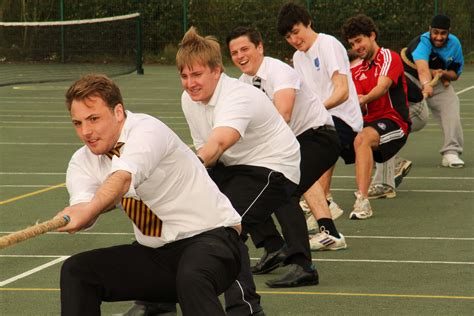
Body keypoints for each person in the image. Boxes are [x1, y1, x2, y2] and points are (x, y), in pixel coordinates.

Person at [55, 74, 244, 316]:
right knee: (76, 271)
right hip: (156, 253)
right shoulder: (82, 161)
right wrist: (79, 211)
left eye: (93, 119)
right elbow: (84, 207)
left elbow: (123, 178)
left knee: (192, 276)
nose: (86, 132)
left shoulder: (147, 130)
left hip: (212, 241)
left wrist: (90, 209)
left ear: (119, 112)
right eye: (77, 123)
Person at [178, 26, 318, 306]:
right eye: (184, 76)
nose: (190, 83)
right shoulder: (189, 100)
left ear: (216, 71)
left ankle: (246, 309)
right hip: (233, 165)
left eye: (197, 74)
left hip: (273, 167)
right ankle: (158, 301)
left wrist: (179, 173)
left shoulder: (237, 96)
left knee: (227, 226)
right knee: (180, 218)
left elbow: (217, 144)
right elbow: (207, 154)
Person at [226, 26, 346, 252]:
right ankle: (274, 248)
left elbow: (284, 114)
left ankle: (301, 262)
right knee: (246, 183)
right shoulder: (242, 84)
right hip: (291, 142)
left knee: (284, 190)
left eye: (245, 49)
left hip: (318, 137)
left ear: (259, 47)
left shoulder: (279, 71)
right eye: (234, 53)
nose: (240, 56)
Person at [277, 2, 363, 219]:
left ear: (308, 23)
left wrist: (316, 111)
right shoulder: (298, 58)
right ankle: (324, 204)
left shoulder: (328, 44)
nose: (294, 40)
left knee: (315, 147)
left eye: (296, 32)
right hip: (322, 118)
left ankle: (320, 206)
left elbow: (342, 91)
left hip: (343, 117)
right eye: (288, 37)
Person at [341, 14, 411, 218]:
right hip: (369, 124)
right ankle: (322, 199)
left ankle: (362, 201)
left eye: (359, 40)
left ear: (372, 36)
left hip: (395, 123)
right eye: (352, 43)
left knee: (362, 138)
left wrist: (362, 100)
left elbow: (382, 87)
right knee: (330, 137)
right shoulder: (357, 70)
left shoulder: (389, 56)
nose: (357, 47)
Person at [401, 14, 464, 168]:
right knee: (401, 115)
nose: (439, 37)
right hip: (411, 79)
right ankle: (384, 152)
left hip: (438, 82)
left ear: (449, 32)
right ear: (429, 30)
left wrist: (443, 74)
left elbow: (455, 74)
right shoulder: (422, 43)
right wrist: (426, 84)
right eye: (435, 32)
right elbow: (422, 69)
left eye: (443, 33)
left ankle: (451, 152)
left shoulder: (455, 44)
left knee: (451, 104)